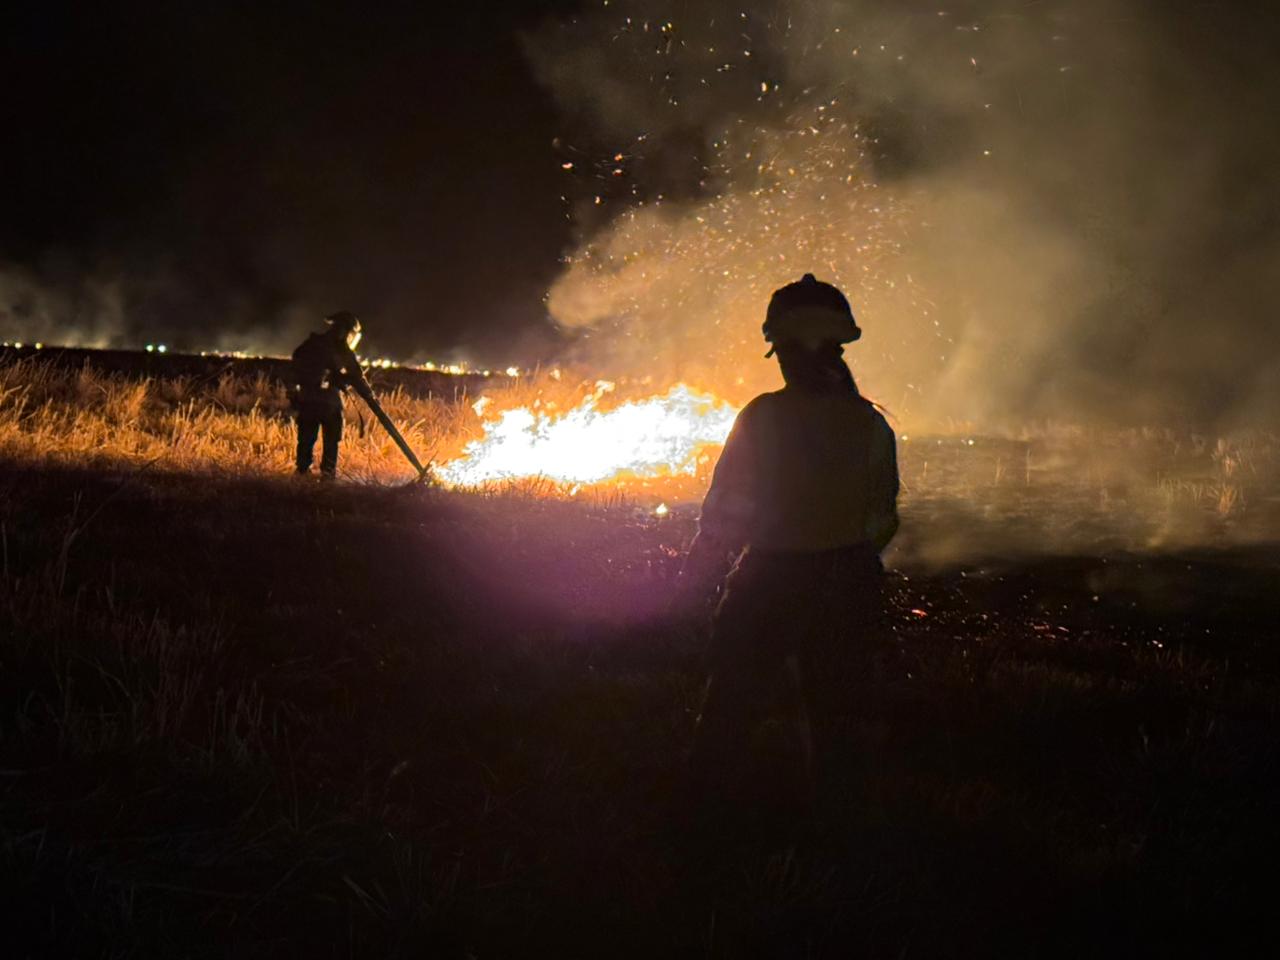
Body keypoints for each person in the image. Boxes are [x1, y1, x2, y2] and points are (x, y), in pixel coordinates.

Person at [678, 273, 900, 807]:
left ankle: (698, 818)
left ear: (779, 350)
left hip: (770, 581)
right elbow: (883, 517)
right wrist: (850, 556)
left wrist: (701, 571)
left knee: (730, 705)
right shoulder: (871, 425)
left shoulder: (764, 417)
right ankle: (839, 830)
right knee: (838, 714)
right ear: (838, 347)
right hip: (847, 583)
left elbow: (729, 508)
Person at [289, 310, 374, 479]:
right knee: (321, 441)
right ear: (345, 330)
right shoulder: (335, 348)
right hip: (322, 402)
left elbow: (356, 376)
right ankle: (318, 476)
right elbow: (357, 376)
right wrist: (368, 394)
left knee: (314, 441)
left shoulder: (316, 345)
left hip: (316, 402)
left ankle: (309, 475)